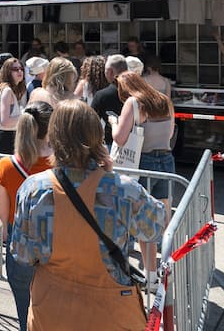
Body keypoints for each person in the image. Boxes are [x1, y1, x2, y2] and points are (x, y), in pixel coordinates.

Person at [11, 100, 166, 330]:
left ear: (52, 138)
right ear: (97, 137)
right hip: (110, 315)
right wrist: (110, 175)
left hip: (51, 311)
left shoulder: (32, 189)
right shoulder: (123, 190)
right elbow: (156, 226)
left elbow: (23, 254)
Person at [0, 102, 53, 331]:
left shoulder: (6, 165)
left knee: (24, 315)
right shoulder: (61, 164)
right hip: (56, 248)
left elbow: (1, 210)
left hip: (19, 246)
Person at [114, 71, 175, 289]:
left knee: (144, 222)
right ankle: (169, 268)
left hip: (144, 163)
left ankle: (151, 278)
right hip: (166, 161)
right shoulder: (165, 100)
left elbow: (120, 138)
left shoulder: (133, 102)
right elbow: (169, 134)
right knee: (166, 221)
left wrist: (113, 123)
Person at [0, 56, 28, 154]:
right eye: (15, 69)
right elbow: (4, 122)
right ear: (8, 72)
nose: (19, 71)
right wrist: (24, 117)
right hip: (7, 139)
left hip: (11, 137)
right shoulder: (7, 91)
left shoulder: (10, 90)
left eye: (21, 69)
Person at [90, 54, 128, 148]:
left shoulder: (102, 95)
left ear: (110, 72)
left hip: (111, 143)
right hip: (136, 144)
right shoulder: (137, 92)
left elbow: (90, 122)